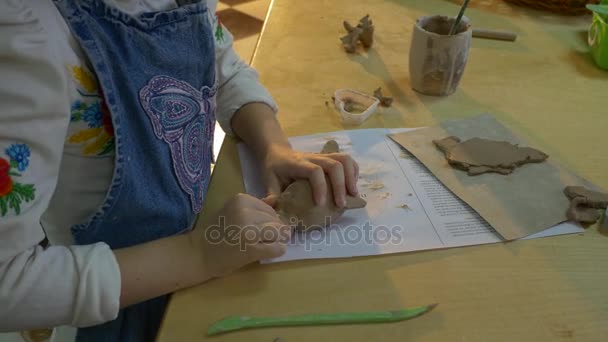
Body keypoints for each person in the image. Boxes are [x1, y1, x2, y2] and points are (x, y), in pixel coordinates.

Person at [0, 0, 359, 341]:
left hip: (199, 269)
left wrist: (273, 146)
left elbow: (221, 67)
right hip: (113, 312)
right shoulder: (26, 40)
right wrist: (199, 253)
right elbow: (8, 284)